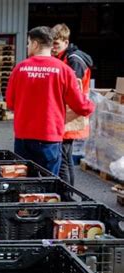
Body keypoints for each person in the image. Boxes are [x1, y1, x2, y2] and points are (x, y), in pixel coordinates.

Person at [6, 27, 94, 175]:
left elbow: (10, 103)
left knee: (23, 181)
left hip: (23, 137)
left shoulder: (19, 69)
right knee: (49, 184)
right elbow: (80, 106)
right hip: (50, 137)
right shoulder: (63, 70)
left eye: (28, 43)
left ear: (35, 44)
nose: (27, 47)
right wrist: (91, 105)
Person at [52, 23, 93, 186]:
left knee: (63, 158)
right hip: (68, 112)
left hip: (71, 114)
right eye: (52, 43)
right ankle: (67, 192)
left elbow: (73, 90)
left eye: (57, 44)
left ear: (66, 42)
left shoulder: (74, 60)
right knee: (65, 157)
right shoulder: (62, 58)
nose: (53, 48)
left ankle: (67, 195)